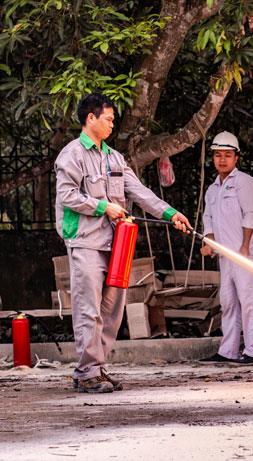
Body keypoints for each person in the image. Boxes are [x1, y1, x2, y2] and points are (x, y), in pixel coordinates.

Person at [55, 93, 190, 393]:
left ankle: (95, 369)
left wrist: (170, 214)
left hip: (116, 245)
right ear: (90, 118)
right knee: (89, 308)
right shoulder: (71, 155)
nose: (113, 125)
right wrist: (104, 207)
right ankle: (88, 371)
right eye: (109, 119)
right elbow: (67, 196)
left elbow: (139, 192)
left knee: (113, 310)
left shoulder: (114, 158)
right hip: (85, 242)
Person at [199, 131, 253, 364]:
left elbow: (251, 215)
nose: (222, 160)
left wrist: (245, 247)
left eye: (227, 155)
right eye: (218, 155)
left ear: (236, 158)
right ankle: (228, 351)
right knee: (228, 302)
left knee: (249, 302)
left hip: (246, 254)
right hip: (226, 256)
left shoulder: (246, 183)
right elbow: (208, 218)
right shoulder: (213, 189)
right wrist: (208, 241)